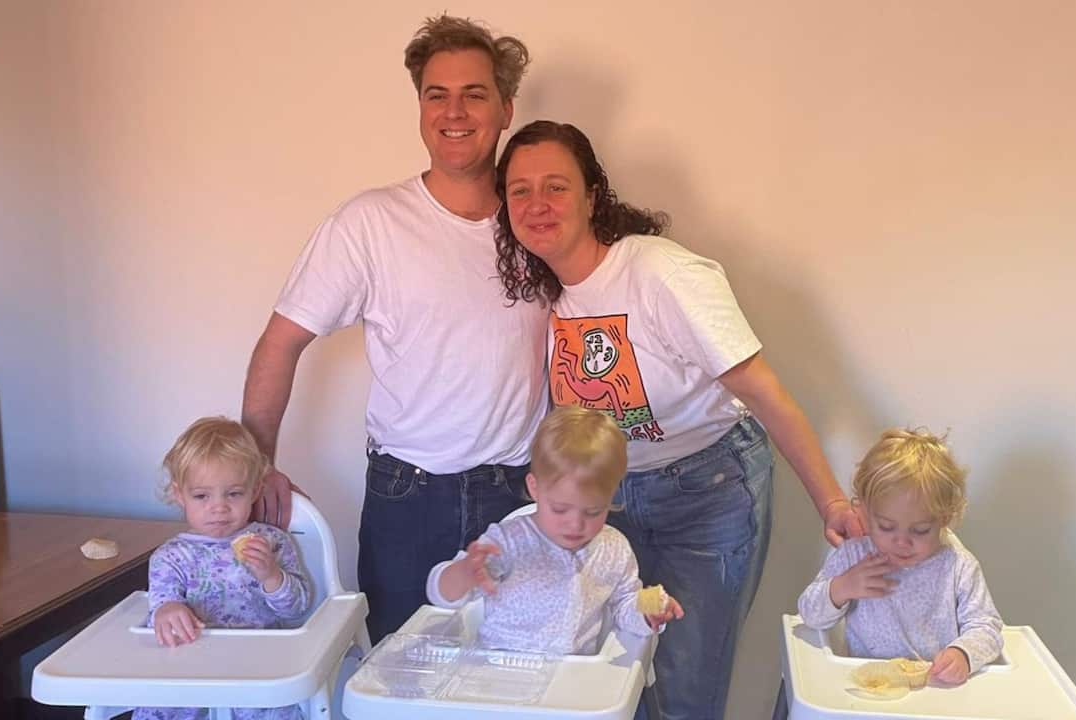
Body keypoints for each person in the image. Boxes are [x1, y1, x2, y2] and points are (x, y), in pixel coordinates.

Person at [493, 120, 865, 720]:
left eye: (556, 187)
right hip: (610, 502)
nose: (538, 204)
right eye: (520, 190)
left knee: (685, 686)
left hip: (707, 493)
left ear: (592, 196)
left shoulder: (660, 274)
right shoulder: (548, 298)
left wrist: (831, 503)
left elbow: (765, 394)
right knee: (616, 675)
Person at [241, 16, 548, 644]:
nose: (454, 111)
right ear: (420, 108)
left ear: (506, 107)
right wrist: (255, 466)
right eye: (437, 94)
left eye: (474, 93)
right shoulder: (370, 222)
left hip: (519, 495)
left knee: (517, 683)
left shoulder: (538, 219)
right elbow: (281, 341)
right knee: (400, 684)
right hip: (409, 498)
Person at [427, 405, 684, 654]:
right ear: (535, 488)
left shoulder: (614, 547)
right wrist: (463, 573)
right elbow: (441, 595)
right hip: (500, 677)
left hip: (571, 682)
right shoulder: (507, 542)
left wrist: (652, 606)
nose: (576, 524)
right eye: (560, 509)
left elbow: (627, 600)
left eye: (593, 511)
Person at [136, 416, 311, 720]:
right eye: (202, 496)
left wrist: (272, 576)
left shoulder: (270, 542)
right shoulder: (170, 557)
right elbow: (159, 613)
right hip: (191, 670)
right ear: (180, 495)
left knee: (278, 707)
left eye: (234, 494)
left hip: (258, 666)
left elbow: (296, 608)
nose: (219, 507)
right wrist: (167, 611)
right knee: (159, 704)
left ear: (255, 492)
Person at [798, 428, 1003, 685]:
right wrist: (842, 588)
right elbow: (809, 614)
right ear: (864, 512)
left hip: (934, 690)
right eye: (886, 527)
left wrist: (963, 653)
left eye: (920, 530)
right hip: (867, 687)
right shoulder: (855, 556)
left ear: (945, 519)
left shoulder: (958, 565)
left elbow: (987, 626)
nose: (902, 541)